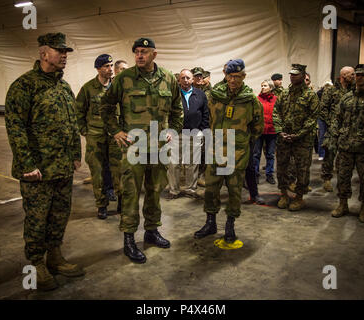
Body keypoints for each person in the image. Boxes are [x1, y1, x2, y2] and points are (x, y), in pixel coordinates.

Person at [5, 33, 85, 291]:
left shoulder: (64, 87)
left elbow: (72, 124)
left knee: (60, 215)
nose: (64, 55)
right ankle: (36, 263)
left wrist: (75, 154)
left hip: (61, 167)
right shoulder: (24, 86)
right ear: (43, 53)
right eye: (59, 50)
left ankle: (55, 256)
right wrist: (27, 164)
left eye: (66, 51)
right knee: (38, 218)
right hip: (37, 170)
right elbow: (15, 128)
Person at [100, 37, 183, 263]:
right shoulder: (124, 79)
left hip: (158, 147)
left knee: (155, 190)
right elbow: (105, 106)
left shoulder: (168, 78)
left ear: (154, 54)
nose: (139, 55)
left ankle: (152, 230)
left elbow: (177, 109)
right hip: (133, 148)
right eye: (136, 51)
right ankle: (129, 238)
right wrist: (115, 131)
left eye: (144, 51)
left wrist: (173, 131)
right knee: (130, 193)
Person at [194, 59, 264, 243]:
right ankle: (210, 223)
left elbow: (257, 127)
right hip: (215, 151)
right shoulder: (216, 96)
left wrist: (242, 142)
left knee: (234, 191)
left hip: (237, 154)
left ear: (244, 76)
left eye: (237, 77)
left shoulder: (250, 101)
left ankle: (230, 225)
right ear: (225, 76)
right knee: (211, 190)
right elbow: (208, 118)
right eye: (230, 76)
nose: (233, 80)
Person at [329, 64, 364, 223]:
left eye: (363, 75)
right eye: (357, 75)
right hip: (345, 145)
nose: (359, 78)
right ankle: (343, 204)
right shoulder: (346, 97)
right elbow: (337, 119)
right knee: (343, 177)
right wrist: (333, 139)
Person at [75, 54, 122, 219]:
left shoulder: (117, 87)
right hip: (96, 137)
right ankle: (101, 205)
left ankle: (121, 200)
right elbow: (78, 111)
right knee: (98, 172)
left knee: (119, 171)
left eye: (111, 66)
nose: (110, 69)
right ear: (98, 68)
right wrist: (84, 130)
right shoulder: (89, 88)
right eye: (106, 66)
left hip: (115, 137)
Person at [273, 64, 319, 211]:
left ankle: (299, 197)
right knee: (282, 167)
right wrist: (280, 131)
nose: (292, 77)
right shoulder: (284, 94)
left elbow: (313, 117)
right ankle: (284, 194)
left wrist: (298, 134)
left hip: (302, 140)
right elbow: (276, 113)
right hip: (284, 139)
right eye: (291, 74)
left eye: (296, 74)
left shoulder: (310, 95)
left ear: (303, 75)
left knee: (302, 169)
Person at [166, 69, 209, 199]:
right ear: (179, 79)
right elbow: (166, 113)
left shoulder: (200, 94)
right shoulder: (172, 94)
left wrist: (203, 130)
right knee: (174, 164)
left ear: (192, 80)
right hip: (176, 134)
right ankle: (174, 190)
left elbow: (205, 114)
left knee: (192, 163)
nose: (185, 80)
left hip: (194, 133)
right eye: (183, 78)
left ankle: (191, 189)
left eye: (188, 78)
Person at [320, 67, 355, 192]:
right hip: (333, 128)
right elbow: (323, 108)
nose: (354, 76)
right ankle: (327, 178)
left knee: (344, 156)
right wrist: (331, 123)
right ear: (343, 75)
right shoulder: (331, 90)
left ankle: (342, 179)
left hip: (348, 129)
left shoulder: (354, 90)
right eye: (351, 74)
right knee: (329, 153)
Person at [253, 80, 277, 185]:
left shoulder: (276, 100)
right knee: (256, 154)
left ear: (270, 88)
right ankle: (255, 174)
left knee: (270, 154)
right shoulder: (257, 99)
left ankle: (269, 174)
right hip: (259, 131)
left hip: (272, 131)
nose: (263, 87)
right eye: (262, 85)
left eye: (265, 86)